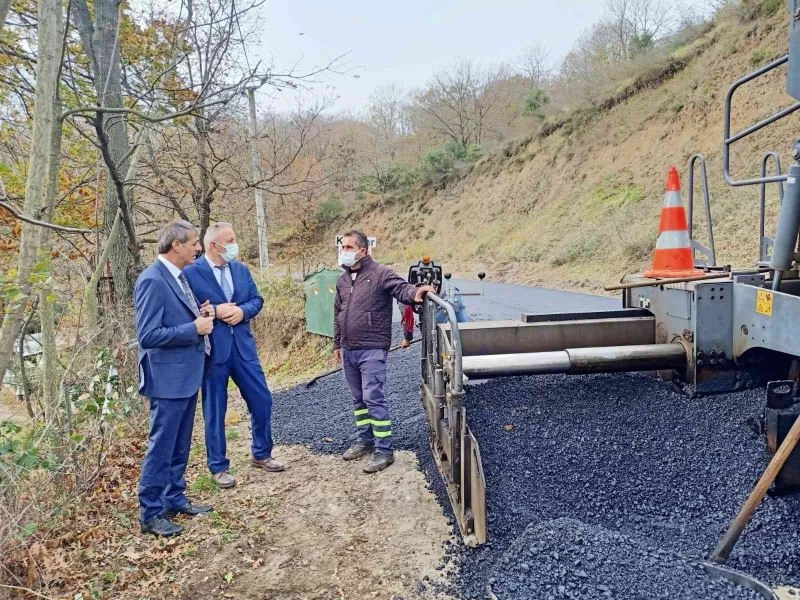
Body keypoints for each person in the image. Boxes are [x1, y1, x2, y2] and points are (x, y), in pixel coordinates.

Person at [183, 222, 285, 489]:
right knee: (215, 411)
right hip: (213, 352)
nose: (235, 244)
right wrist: (214, 310)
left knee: (262, 400)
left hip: (244, 349)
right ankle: (218, 467)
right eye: (231, 239)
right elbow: (186, 309)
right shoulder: (191, 273)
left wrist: (242, 312)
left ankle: (261, 453)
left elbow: (256, 299)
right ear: (214, 245)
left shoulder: (241, 270)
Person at [135, 220, 215, 537]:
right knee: (162, 446)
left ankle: (174, 497)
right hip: (167, 379)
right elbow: (148, 335)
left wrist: (201, 313)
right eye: (194, 242)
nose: (198, 247)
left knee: (180, 444)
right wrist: (193, 329)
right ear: (176, 245)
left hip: (186, 376)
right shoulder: (152, 280)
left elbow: (179, 317)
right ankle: (151, 513)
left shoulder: (178, 277)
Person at [333, 229, 436, 473]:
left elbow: (402, 289)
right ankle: (365, 440)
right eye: (342, 247)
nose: (343, 252)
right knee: (358, 399)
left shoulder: (381, 274)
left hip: (372, 349)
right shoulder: (343, 280)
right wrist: (337, 343)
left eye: (348, 247)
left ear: (363, 251)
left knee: (373, 397)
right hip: (349, 350)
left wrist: (417, 292)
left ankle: (384, 450)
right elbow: (337, 314)